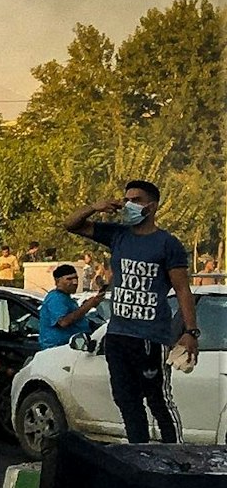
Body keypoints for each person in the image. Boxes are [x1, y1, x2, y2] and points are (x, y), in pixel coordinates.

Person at [65, 180, 199, 444]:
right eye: (126, 199)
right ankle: (139, 451)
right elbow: (71, 225)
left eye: (135, 200)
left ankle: (175, 455)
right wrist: (95, 206)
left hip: (150, 336)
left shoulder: (167, 243)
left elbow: (183, 290)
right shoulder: (117, 235)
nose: (128, 205)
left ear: (152, 206)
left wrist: (190, 332)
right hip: (118, 334)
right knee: (126, 399)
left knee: (157, 399)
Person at [38, 263, 103, 350]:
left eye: (76, 278)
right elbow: (64, 322)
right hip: (58, 349)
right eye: (69, 279)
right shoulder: (56, 298)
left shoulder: (67, 298)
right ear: (57, 281)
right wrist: (87, 306)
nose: (75, 282)